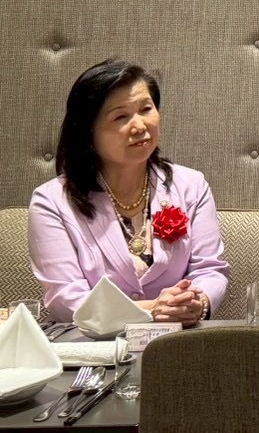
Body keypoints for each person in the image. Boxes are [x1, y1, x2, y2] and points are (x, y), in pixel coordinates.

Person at [28, 59, 229, 323]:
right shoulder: (52, 202)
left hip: (177, 339)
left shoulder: (191, 185)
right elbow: (65, 298)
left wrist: (197, 303)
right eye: (120, 116)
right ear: (88, 132)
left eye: (146, 109)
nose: (140, 126)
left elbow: (210, 269)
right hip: (96, 343)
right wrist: (150, 309)